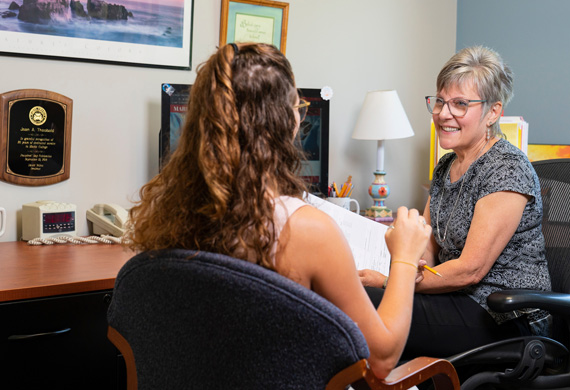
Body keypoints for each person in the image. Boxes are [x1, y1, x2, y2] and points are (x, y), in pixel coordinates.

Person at [126, 42, 432, 379]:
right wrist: (403, 257)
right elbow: (381, 357)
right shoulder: (305, 230)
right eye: (297, 105)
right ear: (285, 121)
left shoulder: (172, 217)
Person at [360, 45, 551, 359]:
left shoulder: (507, 168)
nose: (443, 114)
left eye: (460, 104)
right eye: (440, 101)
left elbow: (470, 271)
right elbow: (429, 246)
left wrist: (391, 281)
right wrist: (410, 256)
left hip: (504, 318)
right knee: (364, 303)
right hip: (457, 299)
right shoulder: (446, 166)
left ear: (493, 112)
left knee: (368, 303)